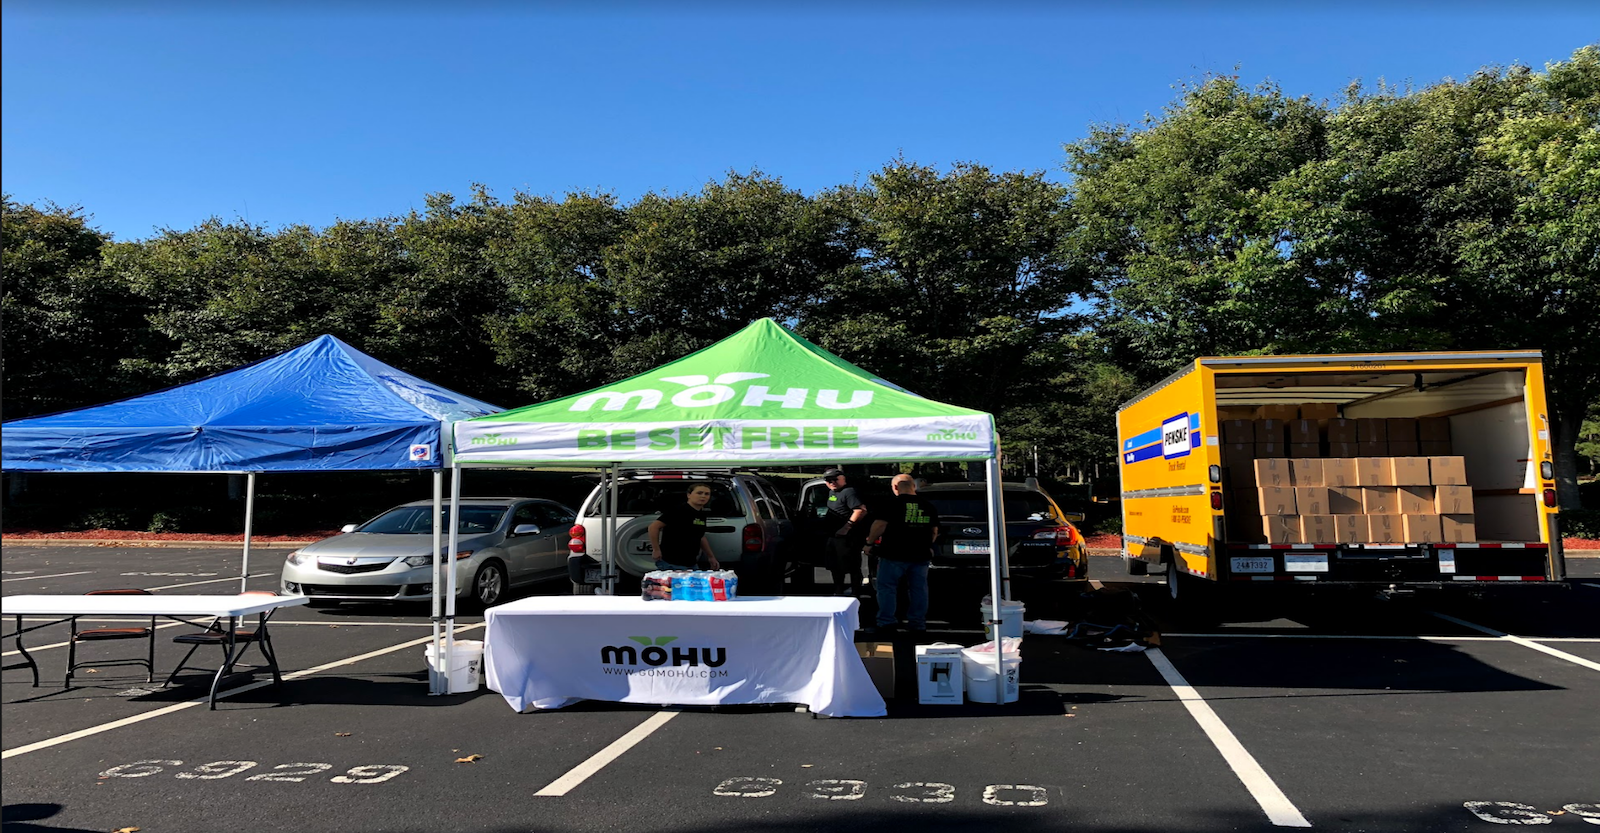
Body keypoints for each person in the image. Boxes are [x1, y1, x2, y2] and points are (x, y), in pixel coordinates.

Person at [863, 474, 940, 632]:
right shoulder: (927, 505)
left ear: (895, 487)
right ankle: (917, 623)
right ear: (913, 486)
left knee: (887, 588)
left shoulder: (891, 503)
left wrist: (869, 543)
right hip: (920, 554)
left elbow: (879, 525)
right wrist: (928, 545)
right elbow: (934, 531)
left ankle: (887, 622)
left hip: (894, 553)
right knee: (919, 589)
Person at [648, 483, 720, 571]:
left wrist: (711, 557)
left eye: (706, 494)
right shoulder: (678, 510)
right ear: (689, 495)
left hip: (691, 563)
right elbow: (653, 527)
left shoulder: (701, 514)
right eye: (699, 493)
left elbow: (700, 536)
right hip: (671, 563)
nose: (703, 496)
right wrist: (656, 549)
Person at [820, 468, 867, 596]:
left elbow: (860, 510)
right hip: (833, 536)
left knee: (852, 567)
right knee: (835, 567)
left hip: (847, 538)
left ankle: (856, 593)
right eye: (828, 480)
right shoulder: (832, 493)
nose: (832, 482)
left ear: (843, 479)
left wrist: (847, 527)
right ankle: (838, 591)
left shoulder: (849, 492)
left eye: (835, 479)